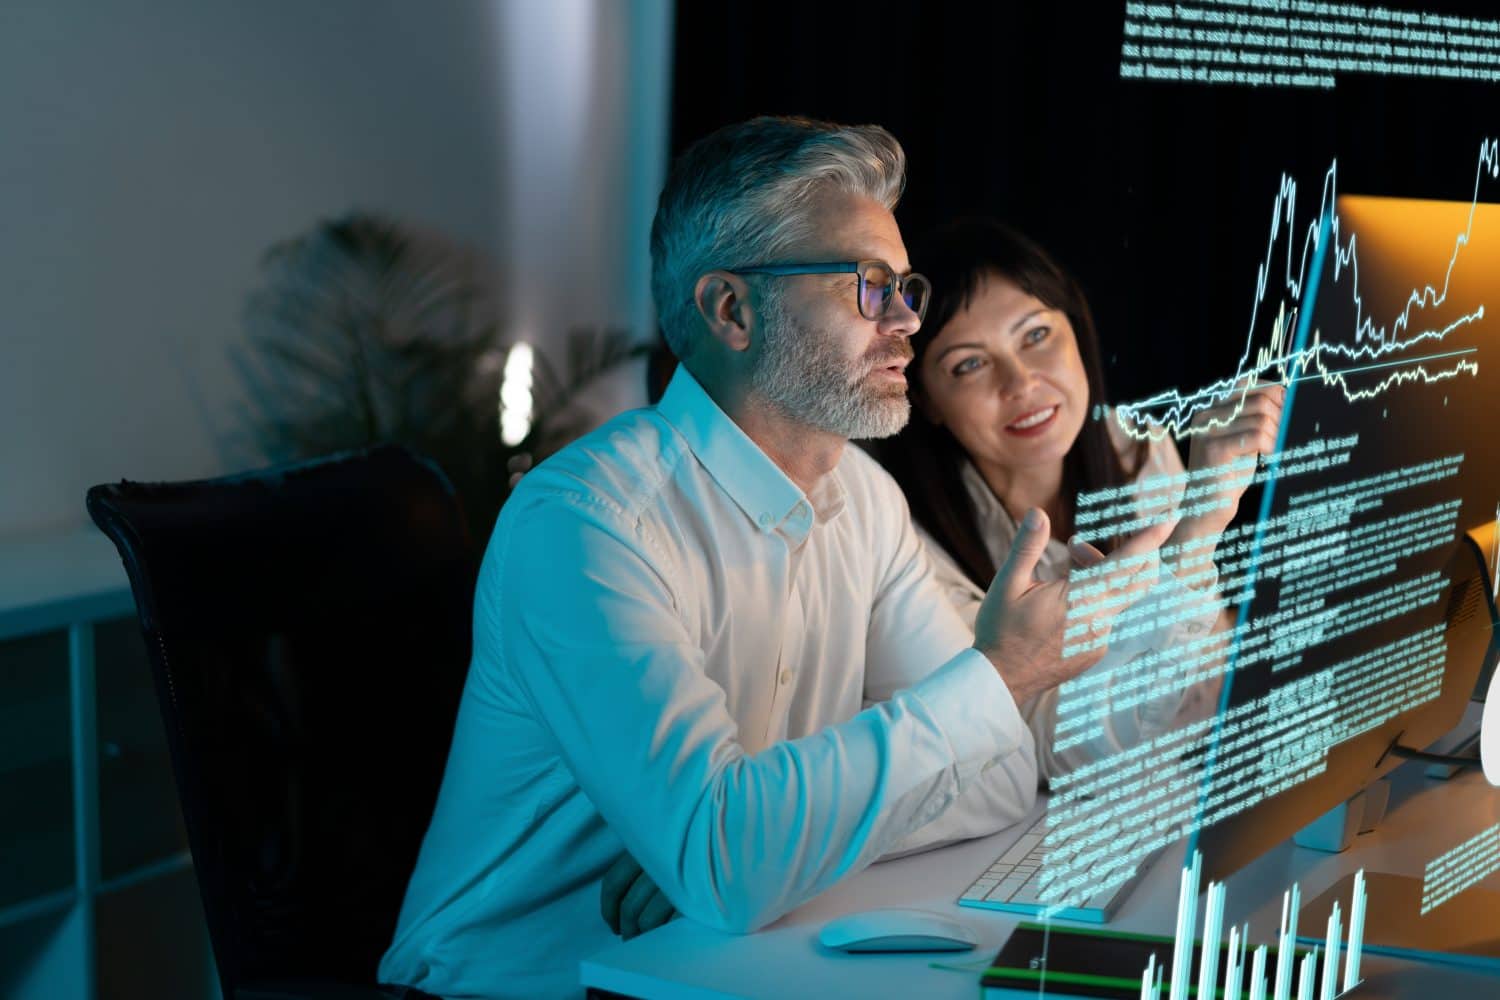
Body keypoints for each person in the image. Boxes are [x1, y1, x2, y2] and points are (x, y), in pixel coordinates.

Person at [377, 119, 1170, 999]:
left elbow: (1000, 777)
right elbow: (728, 861)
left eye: (904, 286)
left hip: (723, 962)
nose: (907, 318)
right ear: (731, 310)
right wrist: (996, 674)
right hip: (522, 985)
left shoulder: (865, 499)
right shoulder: (585, 526)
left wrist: (771, 838)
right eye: (868, 286)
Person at [872, 218, 1284, 779]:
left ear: (1078, 332)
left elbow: (1210, 661)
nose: (1019, 383)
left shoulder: (1132, 447)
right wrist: (1196, 531)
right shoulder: (908, 542)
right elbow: (1052, 746)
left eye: (1036, 336)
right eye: (969, 364)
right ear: (928, 400)